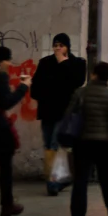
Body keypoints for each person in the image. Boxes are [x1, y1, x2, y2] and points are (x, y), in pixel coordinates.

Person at [65, 62, 108, 216]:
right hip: (103, 142)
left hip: (82, 141)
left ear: (94, 74)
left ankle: (77, 215)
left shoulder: (80, 93)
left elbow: (69, 115)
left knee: (80, 179)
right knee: (106, 178)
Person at [29, 32, 87, 196]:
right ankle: (56, 177)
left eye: (61, 45)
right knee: (48, 145)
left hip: (65, 112)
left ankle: (53, 182)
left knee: (55, 143)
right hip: (47, 110)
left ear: (67, 47)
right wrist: (45, 94)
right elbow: (36, 88)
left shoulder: (77, 63)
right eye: (55, 45)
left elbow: (77, 82)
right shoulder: (45, 63)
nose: (57, 48)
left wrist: (63, 63)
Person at [0, 46, 30, 216]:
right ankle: (7, 205)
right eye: (8, 60)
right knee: (5, 168)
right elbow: (6, 102)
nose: (10, 64)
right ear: (2, 60)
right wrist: (23, 87)